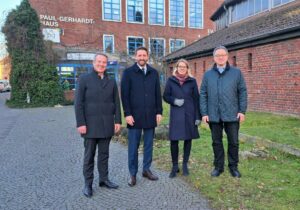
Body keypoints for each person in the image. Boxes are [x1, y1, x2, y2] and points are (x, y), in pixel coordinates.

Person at [75, 53, 121, 198]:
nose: (101, 64)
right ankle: (88, 184)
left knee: (104, 155)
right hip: (89, 125)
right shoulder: (84, 79)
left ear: (106, 64)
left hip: (106, 124)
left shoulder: (111, 81)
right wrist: (81, 123)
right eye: (99, 62)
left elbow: (116, 103)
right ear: (93, 63)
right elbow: (78, 103)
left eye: (104, 62)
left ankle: (104, 179)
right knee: (89, 156)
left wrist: (118, 120)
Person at [200, 46, 247, 178]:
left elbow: (242, 91)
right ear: (214, 58)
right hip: (214, 114)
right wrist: (204, 113)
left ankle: (233, 167)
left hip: (232, 114)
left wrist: (242, 111)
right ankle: (218, 167)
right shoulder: (208, 75)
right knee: (216, 142)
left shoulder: (236, 73)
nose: (220, 57)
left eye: (223, 55)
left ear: (227, 56)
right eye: (217, 55)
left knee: (233, 142)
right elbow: (203, 93)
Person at [121, 46, 163, 187]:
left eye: (144, 55)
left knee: (149, 145)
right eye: (139, 55)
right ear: (135, 56)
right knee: (133, 146)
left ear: (147, 56)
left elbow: (158, 94)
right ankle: (133, 174)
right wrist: (127, 114)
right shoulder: (128, 73)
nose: (142, 58)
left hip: (150, 114)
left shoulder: (154, 73)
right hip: (134, 116)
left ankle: (146, 170)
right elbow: (124, 96)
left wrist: (159, 111)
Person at [163, 59, 201, 178]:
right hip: (176, 114)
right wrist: (174, 101)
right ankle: (175, 166)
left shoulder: (192, 81)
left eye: (184, 67)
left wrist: (198, 116)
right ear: (176, 68)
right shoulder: (171, 81)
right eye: (180, 67)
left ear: (187, 69)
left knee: (187, 139)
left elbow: (196, 99)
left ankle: (185, 165)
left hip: (189, 114)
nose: (182, 69)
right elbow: (165, 96)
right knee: (174, 140)